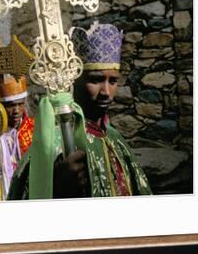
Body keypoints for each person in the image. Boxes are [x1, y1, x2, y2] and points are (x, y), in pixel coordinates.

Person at [8, 22, 152, 200]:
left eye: (113, 81)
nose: (106, 92)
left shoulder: (116, 140)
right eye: (96, 80)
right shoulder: (52, 145)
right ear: (75, 81)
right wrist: (57, 190)